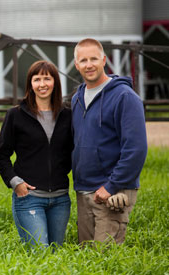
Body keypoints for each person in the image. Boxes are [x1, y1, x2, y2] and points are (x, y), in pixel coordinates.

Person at [72, 38, 147, 244]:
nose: (89, 65)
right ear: (76, 64)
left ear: (104, 59)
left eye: (94, 59)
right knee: (85, 256)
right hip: (84, 190)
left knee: (105, 258)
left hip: (112, 192)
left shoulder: (125, 97)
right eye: (83, 60)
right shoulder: (77, 98)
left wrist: (111, 186)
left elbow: (136, 149)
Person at [0, 60, 73, 247]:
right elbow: (2, 154)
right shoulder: (16, 115)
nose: (42, 84)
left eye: (47, 78)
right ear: (30, 83)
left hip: (61, 198)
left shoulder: (68, 115)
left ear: (55, 82)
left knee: (55, 254)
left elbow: (74, 151)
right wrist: (16, 183)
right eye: (37, 79)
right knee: (41, 253)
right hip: (29, 198)